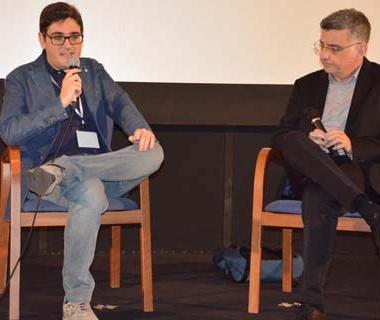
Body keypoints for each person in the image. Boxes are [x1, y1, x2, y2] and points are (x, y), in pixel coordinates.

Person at [0, 2, 164, 320]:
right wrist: (60, 103)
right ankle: (76, 302)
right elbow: (8, 132)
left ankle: (65, 168)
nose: (68, 45)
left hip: (93, 168)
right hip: (46, 179)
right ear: (42, 39)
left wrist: (140, 128)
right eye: (58, 37)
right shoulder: (22, 78)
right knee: (90, 193)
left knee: (155, 150)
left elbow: (121, 102)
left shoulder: (93, 70)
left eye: (74, 37)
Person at [272, 8, 380, 320]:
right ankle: (369, 210)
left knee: (318, 198)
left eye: (334, 48)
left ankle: (312, 303)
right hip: (310, 165)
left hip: (353, 169)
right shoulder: (306, 84)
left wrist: (352, 144)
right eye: (321, 46)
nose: (324, 56)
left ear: (360, 48)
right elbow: (280, 136)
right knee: (294, 139)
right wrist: (310, 138)